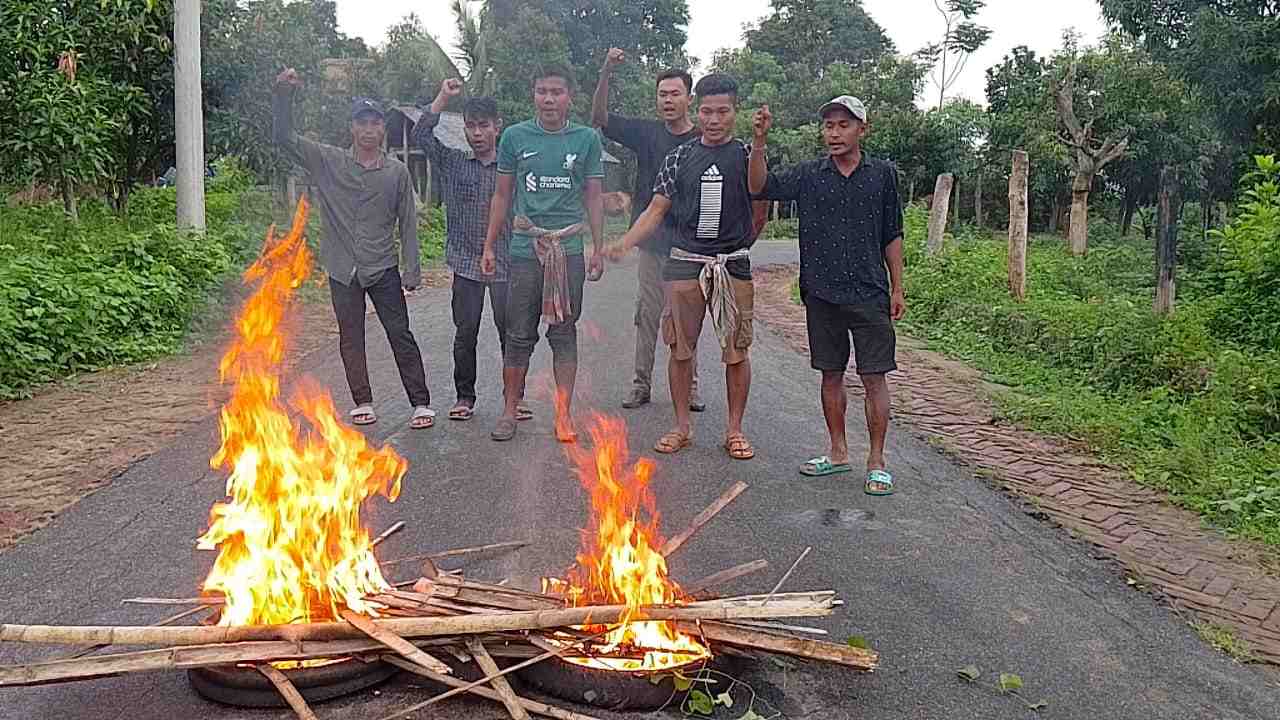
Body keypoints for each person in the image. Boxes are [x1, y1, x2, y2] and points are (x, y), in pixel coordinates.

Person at [748, 96, 906, 496]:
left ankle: (877, 461)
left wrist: (897, 286)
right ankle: (837, 453)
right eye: (829, 126)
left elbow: (892, 232)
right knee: (830, 373)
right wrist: (760, 142)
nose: (834, 133)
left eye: (843, 125)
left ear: (862, 130)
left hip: (870, 291)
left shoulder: (883, 175)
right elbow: (759, 186)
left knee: (874, 376)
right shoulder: (809, 174)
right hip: (821, 292)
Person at [609, 73, 763, 461]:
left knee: (736, 350)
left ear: (735, 111)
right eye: (707, 111)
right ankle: (681, 426)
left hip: (732, 266)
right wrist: (626, 242)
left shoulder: (747, 155)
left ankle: (735, 430)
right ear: (698, 109)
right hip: (684, 263)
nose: (713, 120)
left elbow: (761, 203)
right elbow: (656, 209)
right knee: (680, 347)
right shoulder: (679, 157)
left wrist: (741, 247)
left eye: (722, 112)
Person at [272, 68, 434, 429]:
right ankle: (363, 401)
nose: (368, 130)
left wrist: (412, 269)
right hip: (342, 268)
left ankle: (420, 402)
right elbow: (284, 138)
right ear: (352, 128)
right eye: (361, 123)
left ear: (383, 130)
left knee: (399, 333)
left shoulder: (396, 173)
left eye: (375, 123)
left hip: (382, 267)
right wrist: (284, 95)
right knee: (351, 336)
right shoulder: (328, 161)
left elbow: (407, 222)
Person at [481, 65, 606, 444]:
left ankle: (563, 416)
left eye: (556, 91)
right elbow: (502, 195)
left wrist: (597, 248)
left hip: (567, 251)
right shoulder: (515, 137)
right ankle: (508, 409)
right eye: (541, 91)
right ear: (533, 94)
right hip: (525, 250)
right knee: (518, 334)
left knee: (564, 333)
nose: (549, 99)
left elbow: (594, 196)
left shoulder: (587, 140)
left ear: (569, 97)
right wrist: (488, 245)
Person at [590, 48, 705, 412]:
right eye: (662, 94)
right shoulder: (645, 133)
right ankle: (641, 384)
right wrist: (606, 72)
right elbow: (599, 117)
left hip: (690, 248)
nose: (668, 100)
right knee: (647, 316)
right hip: (653, 246)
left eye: (675, 93)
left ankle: (690, 388)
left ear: (689, 98)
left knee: (685, 320)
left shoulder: (705, 139)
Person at [412, 78, 532, 424]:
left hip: (506, 264)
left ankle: (515, 397)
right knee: (465, 332)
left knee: (510, 332)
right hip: (465, 262)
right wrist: (442, 97)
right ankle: (465, 397)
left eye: (483, 126)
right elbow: (421, 137)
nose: (476, 133)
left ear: (498, 127)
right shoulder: (453, 162)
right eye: (470, 126)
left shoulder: (514, 170)